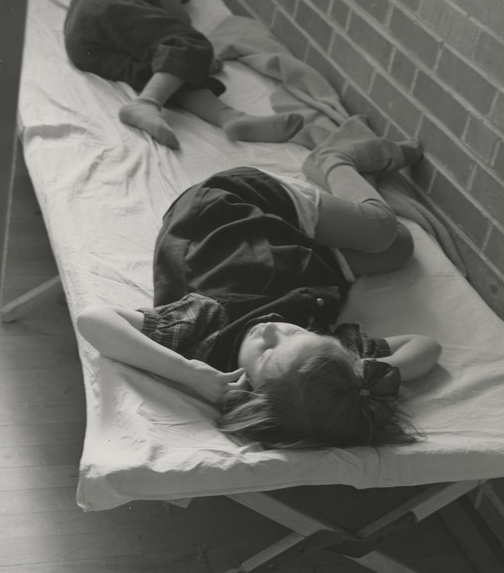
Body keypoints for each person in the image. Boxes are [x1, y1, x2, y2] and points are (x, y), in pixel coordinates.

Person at [77, 136, 441, 450]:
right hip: (271, 228)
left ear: (252, 390)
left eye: (267, 353)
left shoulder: (204, 327)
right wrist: (357, 375)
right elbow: (426, 346)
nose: (271, 329)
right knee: (390, 239)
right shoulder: (324, 356)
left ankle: (333, 164)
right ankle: (335, 165)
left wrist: (188, 373)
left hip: (226, 215)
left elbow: (93, 319)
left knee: (388, 237)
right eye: (298, 334)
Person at [64, 0, 303, 149]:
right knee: (192, 42)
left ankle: (231, 119)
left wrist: (191, 60)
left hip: (80, 44)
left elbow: (173, 56)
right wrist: (199, 52)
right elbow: (182, 26)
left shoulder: (126, 11)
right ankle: (145, 104)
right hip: (104, 5)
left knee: (168, 72)